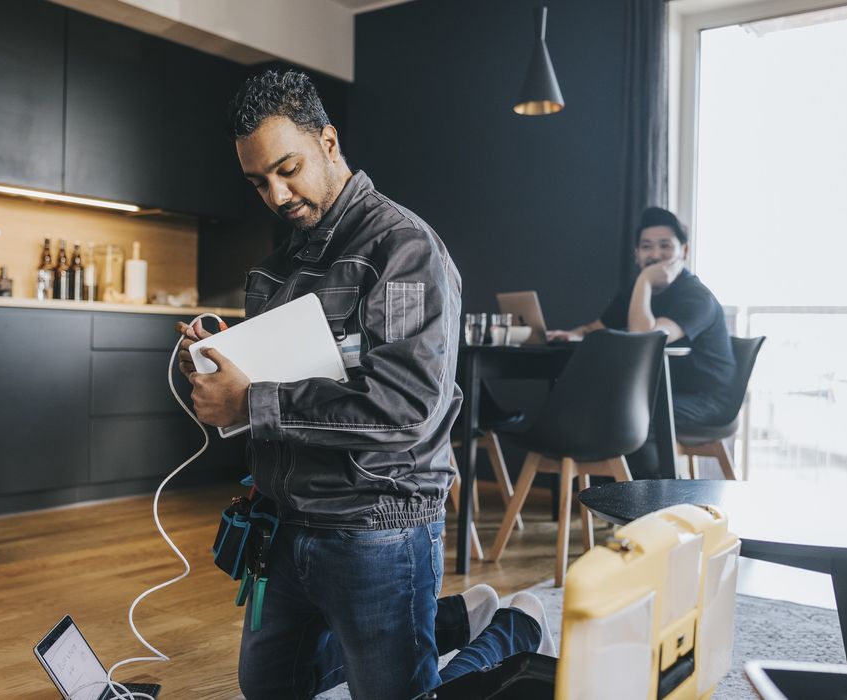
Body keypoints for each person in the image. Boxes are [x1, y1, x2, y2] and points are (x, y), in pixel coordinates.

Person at [174, 69, 552, 699]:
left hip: (378, 525)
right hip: (285, 523)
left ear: (328, 141)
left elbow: (405, 408)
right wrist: (222, 367)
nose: (276, 194)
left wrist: (251, 399)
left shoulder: (403, 250)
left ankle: (507, 631)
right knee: (270, 689)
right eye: (258, 181)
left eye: (287, 167)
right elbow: (280, 400)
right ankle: (445, 622)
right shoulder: (276, 270)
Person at [547, 206, 736, 477]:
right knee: (615, 407)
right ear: (637, 254)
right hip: (663, 394)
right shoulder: (637, 292)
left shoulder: (696, 297)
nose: (655, 255)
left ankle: (660, 502)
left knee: (634, 415)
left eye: (665, 246)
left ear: (684, 252)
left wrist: (646, 280)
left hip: (708, 400)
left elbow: (644, 339)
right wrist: (574, 334)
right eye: (646, 247)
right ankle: (630, 499)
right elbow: (595, 327)